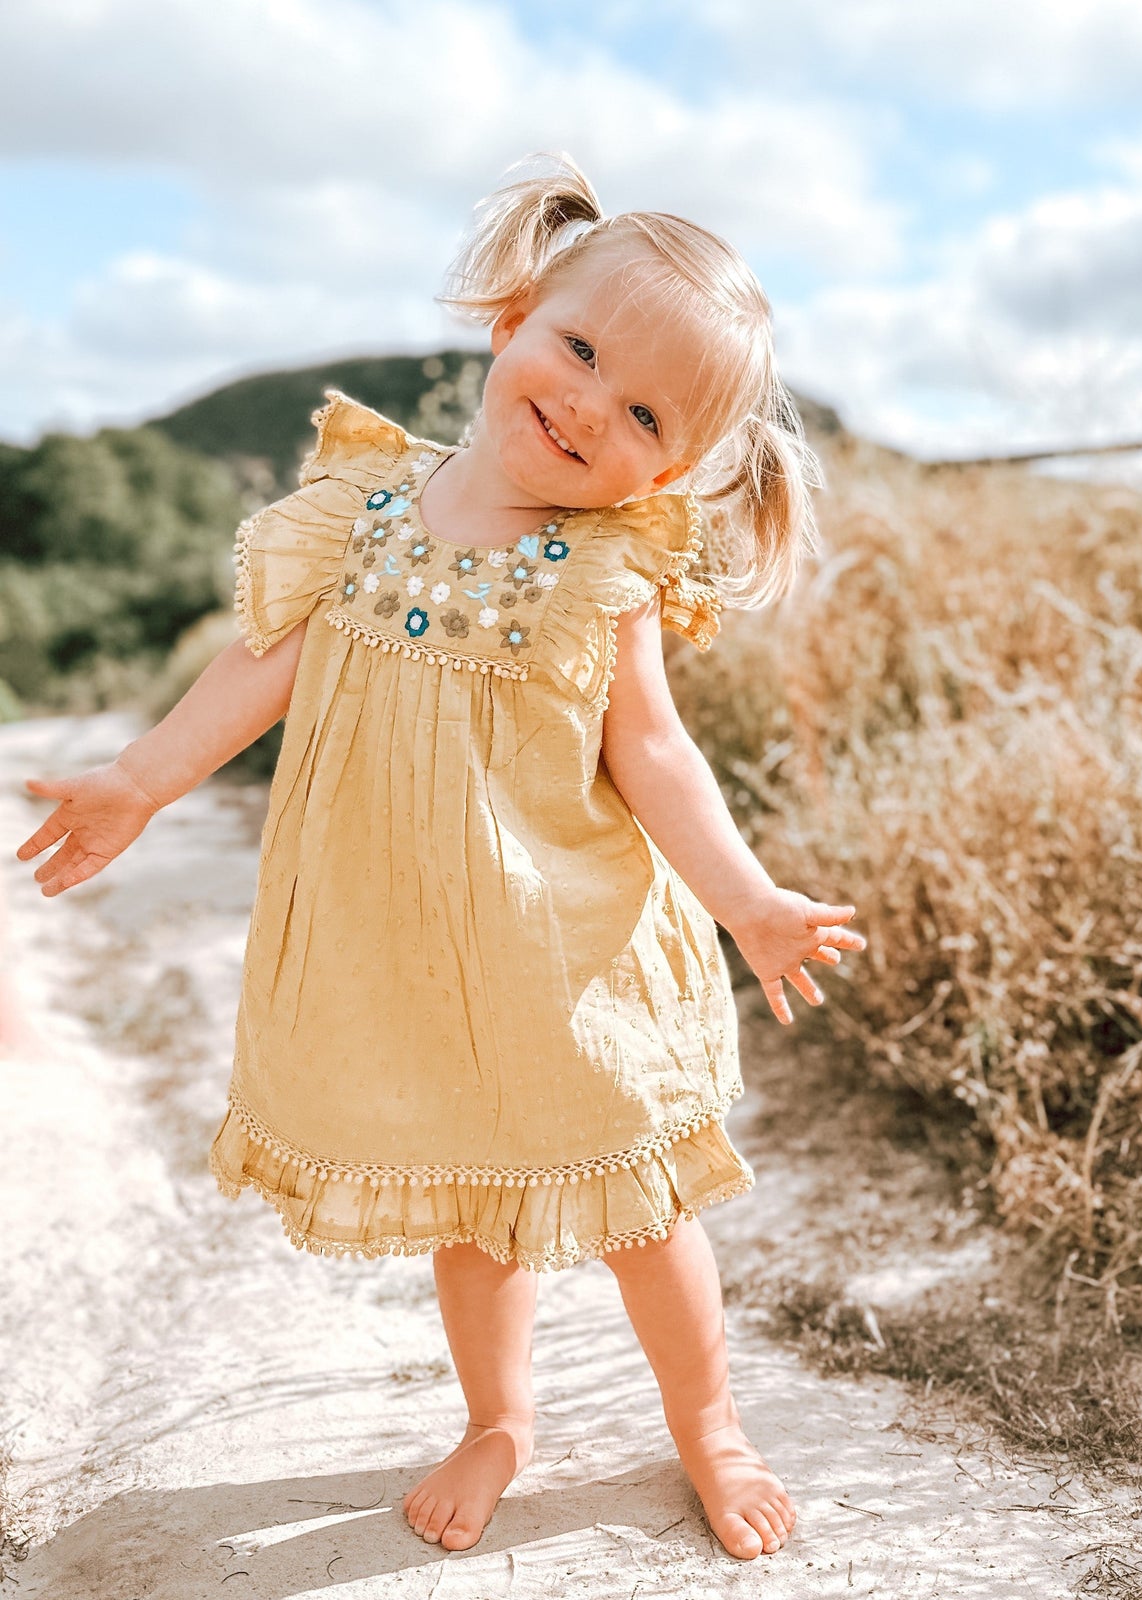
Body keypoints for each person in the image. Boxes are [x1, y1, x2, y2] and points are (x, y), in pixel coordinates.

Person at [13, 152, 866, 1562]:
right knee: (470, 1204)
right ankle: (500, 1420)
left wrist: (749, 903)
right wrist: (140, 780)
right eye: (581, 347)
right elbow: (257, 671)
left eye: (644, 408)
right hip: (411, 936)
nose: (590, 401)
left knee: (640, 1202)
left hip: (565, 946)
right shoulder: (358, 515)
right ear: (514, 313)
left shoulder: (603, 571)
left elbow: (653, 754)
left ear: (672, 467)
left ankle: (708, 1424)